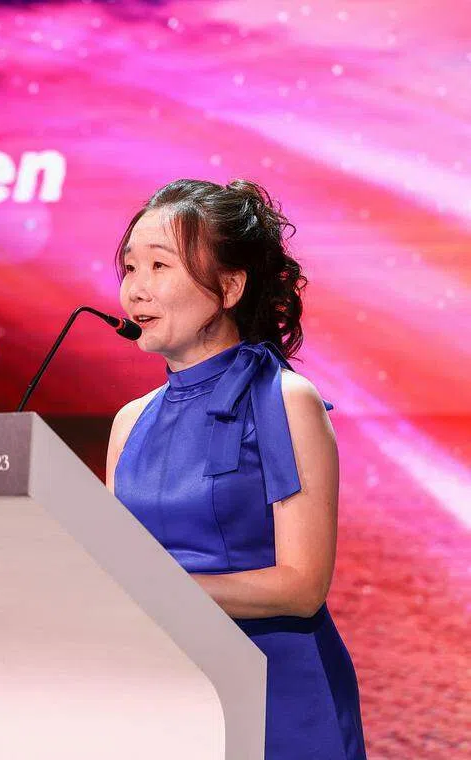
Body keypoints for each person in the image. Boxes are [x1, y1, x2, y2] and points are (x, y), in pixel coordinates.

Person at [105, 179, 366, 759]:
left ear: (229, 287)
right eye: (129, 269)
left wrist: (156, 591)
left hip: (279, 697)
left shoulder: (287, 400)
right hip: (166, 695)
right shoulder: (129, 422)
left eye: (159, 266)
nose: (135, 290)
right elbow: (113, 569)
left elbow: (303, 586)